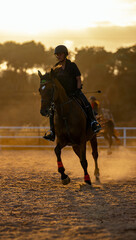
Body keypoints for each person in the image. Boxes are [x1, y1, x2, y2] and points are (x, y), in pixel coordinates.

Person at [43, 45, 101, 141]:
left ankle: (94, 123)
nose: (58, 56)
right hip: (62, 95)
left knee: (86, 104)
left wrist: (78, 90)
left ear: (65, 54)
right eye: (57, 55)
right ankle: (52, 132)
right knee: (52, 110)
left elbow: (78, 78)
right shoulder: (55, 68)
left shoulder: (72, 66)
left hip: (75, 92)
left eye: (60, 54)